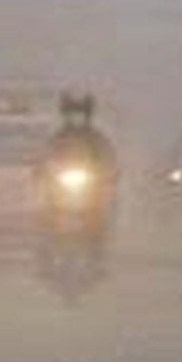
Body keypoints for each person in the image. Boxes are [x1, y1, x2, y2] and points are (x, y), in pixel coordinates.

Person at [37, 92, 118, 260]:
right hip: (60, 186)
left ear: (88, 116)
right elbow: (45, 157)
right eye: (73, 115)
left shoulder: (96, 138)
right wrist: (42, 171)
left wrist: (109, 173)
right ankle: (44, 253)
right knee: (46, 212)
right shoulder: (58, 138)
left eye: (80, 115)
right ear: (65, 116)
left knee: (101, 210)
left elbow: (108, 157)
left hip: (90, 185)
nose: (76, 119)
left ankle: (98, 252)